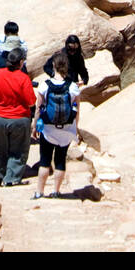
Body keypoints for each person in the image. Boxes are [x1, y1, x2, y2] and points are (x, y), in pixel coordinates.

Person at [33, 50, 81, 200]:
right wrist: (76, 128)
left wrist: (35, 126)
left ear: (53, 65)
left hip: (48, 129)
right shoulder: (73, 86)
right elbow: (77, 109)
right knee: (60, 160)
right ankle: (56, 191)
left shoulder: (45, 85)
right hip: (67, 130)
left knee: (45, 160)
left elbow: (38, 108)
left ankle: (39, 192)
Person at [0, 46, 36, 186]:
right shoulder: (24, 78)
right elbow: (31, 102)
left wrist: (0, 101)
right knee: (18, 150)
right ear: (20, 62)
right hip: (19, 118)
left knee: (0, 148)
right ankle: (12, 178)